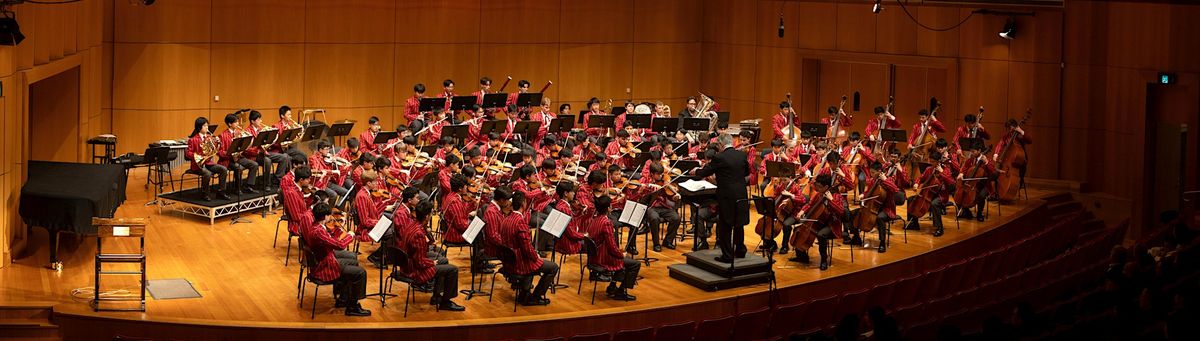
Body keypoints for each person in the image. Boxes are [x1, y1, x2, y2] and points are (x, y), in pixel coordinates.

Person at [393, 200, 465, 311]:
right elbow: (420, 262)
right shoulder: (418, 234)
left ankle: (436, 297)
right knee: (452, 270)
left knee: (444, 261)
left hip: (407, 264)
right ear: (427, 216)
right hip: (413, 271)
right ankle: (446, 302)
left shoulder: (412, 224)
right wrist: (432, 262)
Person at [301, 202, 370, 316]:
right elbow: (340, 245)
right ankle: (352, 306)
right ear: (326, 216)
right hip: (324, 267)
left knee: (353, 261)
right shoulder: (318, 231)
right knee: (360, 272)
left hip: (325, 259)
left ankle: (344, 298)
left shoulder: (315, 226)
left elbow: (330, 240)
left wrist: (336, 231)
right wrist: (350, 235)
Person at [691, 133, 750, 263]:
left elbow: (707, 171)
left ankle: (727, 255)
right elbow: (747, 172)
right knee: (739, 224)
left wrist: (696, 171)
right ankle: (740, 250)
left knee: (726, 225)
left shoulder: (719, 157)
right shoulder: (741, 155)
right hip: (741, 193)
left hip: (726, 196)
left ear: (721, 144)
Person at [586, 195, 640, 301]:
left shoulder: (594, 219)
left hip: (594, 256)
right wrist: (621, 254)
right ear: (609, 208)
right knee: (634, 264)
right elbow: (611, 247)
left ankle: (612, 286)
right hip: (603, 258)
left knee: (625, 262)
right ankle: (621, 291)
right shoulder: (606, 223)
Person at [795, 174, 846, 270]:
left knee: (821, 235)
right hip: (818, 222)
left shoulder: (836, 196)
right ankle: (801, 256)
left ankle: (823, 259)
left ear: (826, 187)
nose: (816, 189)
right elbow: (810, 204)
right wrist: (802, 211)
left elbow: (841, 212)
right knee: (799, 229)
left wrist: (831, 200)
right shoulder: (819, 194)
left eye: (819, 187)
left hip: (832, 225)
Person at [905, 151, 954, 237]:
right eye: (930, 161)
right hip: (928, 194)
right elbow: (920, 178)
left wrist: (942, 172)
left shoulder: (946, 170)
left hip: (941, 196)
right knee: (910, 199)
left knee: (934, 204)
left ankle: (939, 228)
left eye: (933, 162)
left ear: (939, 161)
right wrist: (916, 183)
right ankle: (914, 223)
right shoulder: (929, 169)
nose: (931, 163)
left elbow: (951, 183)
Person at [186, 117, 229, 201]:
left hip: (208, 163)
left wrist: (218, 143)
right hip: (197, 165)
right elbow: (188, 153)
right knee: (207, 173)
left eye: (207, 125)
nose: (207, 127)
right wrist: (197, 156)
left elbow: (214, 150)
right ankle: (204, 193)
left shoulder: (209, 137)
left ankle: (221, 191)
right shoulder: (193, 140)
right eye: (205, 126)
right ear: (199, 128)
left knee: (223, 169)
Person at [246, 110, 290, 189]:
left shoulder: (260, 129)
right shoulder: (247, 131)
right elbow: (247, 149)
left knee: (285, 157)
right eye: (258, 119)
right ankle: (267, 184)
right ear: (252, 121)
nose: (261, 121)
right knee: (267, 161)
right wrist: (259, 150)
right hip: (254, 155)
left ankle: (277, 179)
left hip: (264, 152)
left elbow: (266, 142)